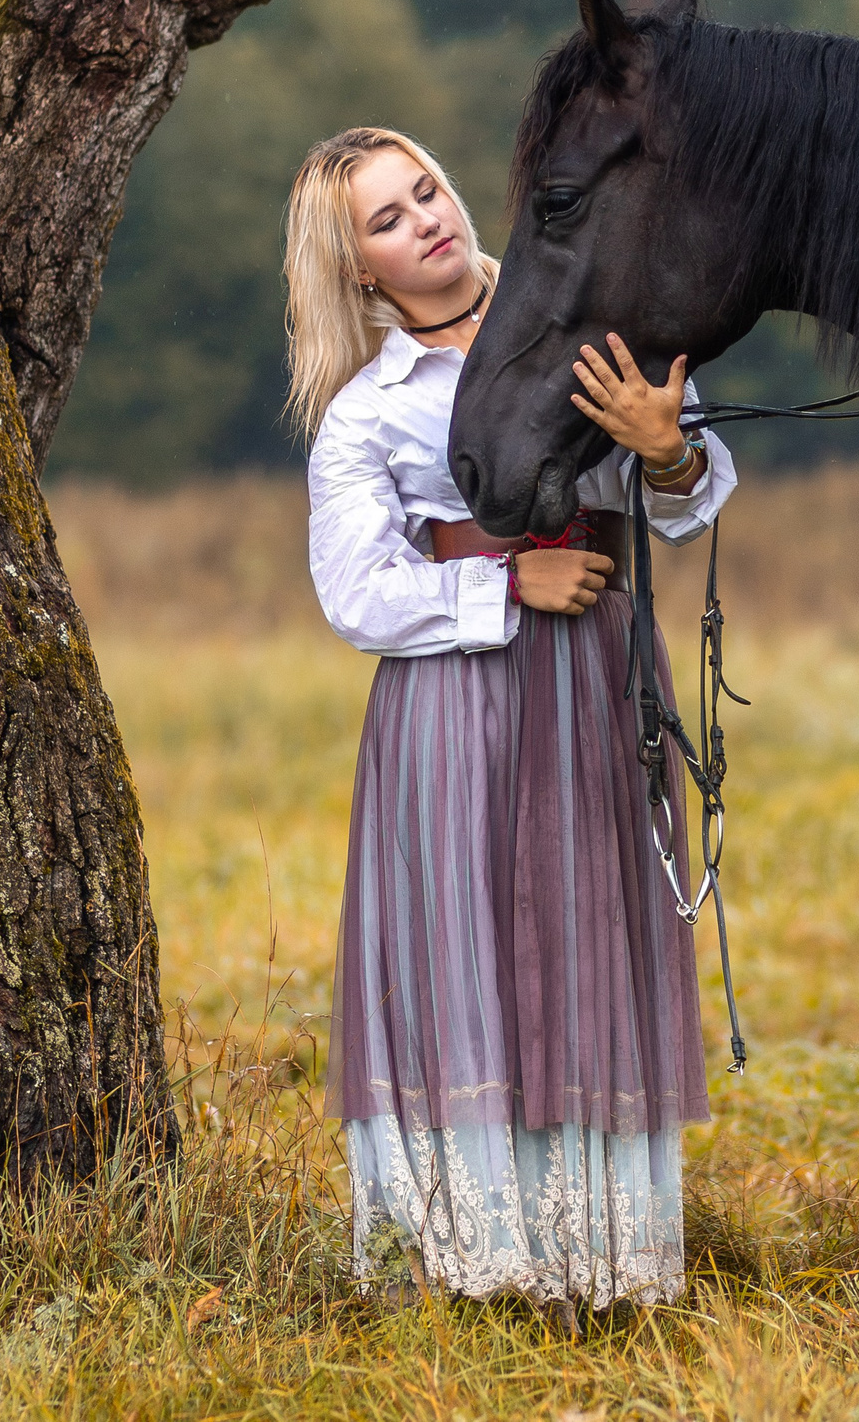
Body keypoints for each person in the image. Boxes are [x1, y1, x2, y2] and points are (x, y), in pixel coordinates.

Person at [286, 126, 736, 1318]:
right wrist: (503, 584)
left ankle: (603, 1260)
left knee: (592, 924)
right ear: (358, 269)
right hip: (454, 701)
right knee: (465, 940)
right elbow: (355, 592)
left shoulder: (589, 323)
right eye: (387, 220)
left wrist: (667, 456)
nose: (427, 220)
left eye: (427, 190)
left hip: (598, 675)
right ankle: (475, 1261)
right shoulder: (367, 411)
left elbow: (687, 503)